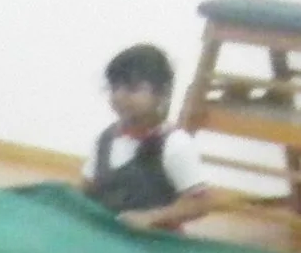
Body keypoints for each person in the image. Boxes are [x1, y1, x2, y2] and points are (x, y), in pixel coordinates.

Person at [82, 43, 215, 231]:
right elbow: (86, 191)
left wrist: (152, 217)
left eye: (132, 88)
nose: (119, 96)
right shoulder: (105, 140)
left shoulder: (175, 144)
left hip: (154, 246)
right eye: (114, 87)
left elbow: (201, 203)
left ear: (162, 93)